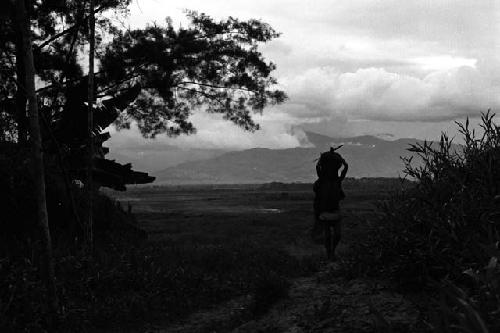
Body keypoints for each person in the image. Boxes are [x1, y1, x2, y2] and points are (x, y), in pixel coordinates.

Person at [313, 147, 348, 261]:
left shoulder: (333, 181)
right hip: (326, 211)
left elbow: (344, 170)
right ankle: (330, 254)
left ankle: (331, 252)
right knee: (328, 235)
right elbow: (318, 168)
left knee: (337, 235)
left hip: (333, 211)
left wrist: (344, 163)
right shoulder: (323, 181)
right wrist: (343, 161)